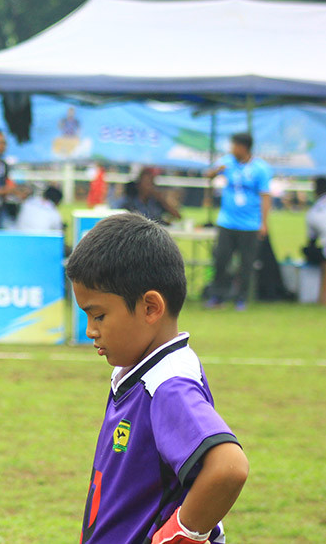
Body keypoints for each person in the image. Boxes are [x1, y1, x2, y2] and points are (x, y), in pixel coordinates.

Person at [66, 213, 249, 544]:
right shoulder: (140, 371)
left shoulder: (167, 383)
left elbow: (228, 467)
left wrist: (179, 536)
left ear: (151, 308)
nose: (91, 330)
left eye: (99, 315)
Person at [204, 133, 271, 310]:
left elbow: (265, 197)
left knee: (246, 264)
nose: (231, 149)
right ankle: (218, 296)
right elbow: (208, 175)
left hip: (249, 224)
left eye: (234, 146)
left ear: (243, 147)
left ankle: (242, 298)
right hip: (226, 221)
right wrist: (216, 172)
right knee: (221, 259)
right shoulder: (227, 162)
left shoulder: (260, 168)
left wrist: (264, 223)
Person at [117, 168, 182, 224]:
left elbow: (178, 216)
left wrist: (162, 200)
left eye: (151, 183)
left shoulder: (155, 202)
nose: (149, 187)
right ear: (138, 185)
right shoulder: (129, 202)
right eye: (146, 183)